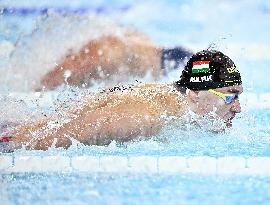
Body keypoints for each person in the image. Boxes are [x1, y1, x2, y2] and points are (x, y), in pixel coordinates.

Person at [1, 50, 242, 152]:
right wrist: (10, 141)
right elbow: (36, 140)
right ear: (195, 93)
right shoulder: (141, 118)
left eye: (239, 95)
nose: (238, 107)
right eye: (230, 94)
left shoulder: (169, 101)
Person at [34, 31, 192, 91]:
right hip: (168, 58)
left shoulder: (108, 52)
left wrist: (38, 90)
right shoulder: (109, 51)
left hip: (168, 63)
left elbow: (49, 82)